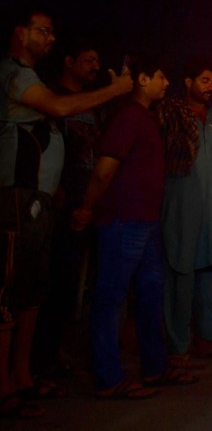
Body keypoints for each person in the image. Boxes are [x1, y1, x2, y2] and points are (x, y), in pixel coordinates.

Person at [1, 9, 131, 417]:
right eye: (44, 31)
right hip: (16, 198)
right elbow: (57, 109)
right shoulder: (13, 73)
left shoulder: (32, 78)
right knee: (11, 290)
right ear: (20, 33)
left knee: (32, 292)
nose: (51, 38)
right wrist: (116, 90)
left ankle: (23, 376)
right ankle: (6, 385)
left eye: (53, 32)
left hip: (38, 199)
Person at [73, 52, 197, 399]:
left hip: (145, 222)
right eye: (160, 76)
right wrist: (86, 207)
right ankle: (108, 378)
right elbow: (104, 169)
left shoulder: (146, 118)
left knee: (149, 294)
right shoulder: (127, 118)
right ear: (142, 79)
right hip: (122, 221)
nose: (166, 83)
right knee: (111, 298)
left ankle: (155, 368)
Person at [31, 36, 103, 381]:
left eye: (97, 61)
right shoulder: (52, 96)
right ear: (69, 61)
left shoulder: (93, 106)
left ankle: (65, 356)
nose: (95, 67)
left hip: (87, 206)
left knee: (78, 286)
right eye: (88, 59)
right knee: (52, 286)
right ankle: (40, 365)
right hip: (59, 205)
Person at [158, 57, 212, 365]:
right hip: (182, 201)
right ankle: (178, 345)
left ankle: (208, 338)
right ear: (188, 82)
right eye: (204, 80)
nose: (210, 87)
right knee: (181, 272)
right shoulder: (172, 113)